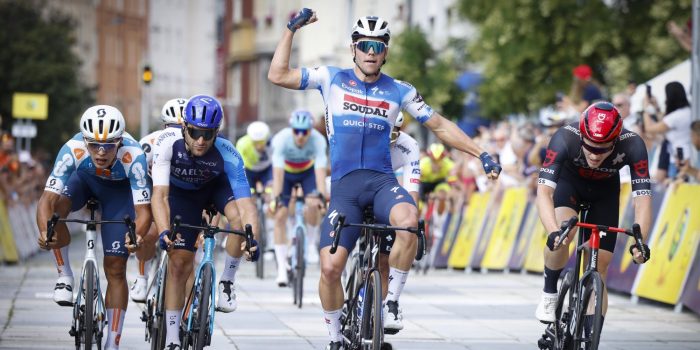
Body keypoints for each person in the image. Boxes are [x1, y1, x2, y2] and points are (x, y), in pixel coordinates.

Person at [267, 10, 502, 349]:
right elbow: (277, 74)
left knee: (409, 221)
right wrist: (291, 30)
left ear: (386, 51)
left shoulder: (400, 90)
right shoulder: (329, 77)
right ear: (354, 48)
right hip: (345, 187)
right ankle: (334, 337)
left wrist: (480, 153)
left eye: (378, 46)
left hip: (381, 182)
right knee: (330, 268)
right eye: (365, 45)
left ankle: (391, 302)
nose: (371, 52)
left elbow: (439, 126)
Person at [36, 105, 153, 349]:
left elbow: (144, 211)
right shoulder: (72, 149)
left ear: (119, 142)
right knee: (55, 214)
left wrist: (137, 236)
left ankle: (113, 342)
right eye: (93, 145)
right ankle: (64, 276)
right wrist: (45, 232)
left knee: (116, 268)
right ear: (84, 141)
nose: (100, 152)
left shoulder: (135, 156)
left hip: (118, 195)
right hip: (84, 182)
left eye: (109, 145)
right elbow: (46, 200)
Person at [150, 95, 260, 350]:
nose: (201, 140)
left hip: (215, 190)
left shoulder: (228, 153)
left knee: (239, 222)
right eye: (195, 132)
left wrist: (252, 238)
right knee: (179, 264)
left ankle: (227, 280)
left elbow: (247, 207)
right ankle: (172, 339)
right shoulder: (167, 143)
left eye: (208, 134)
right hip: (181, 195)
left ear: (216, 132)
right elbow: (160, 195)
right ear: (184, 127)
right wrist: (165, 230)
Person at [535, 101, 652, 336]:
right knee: (564, 235)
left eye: (603, 149)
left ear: (617, 139)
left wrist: (641, 242)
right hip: (570, 186)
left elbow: (642, 199)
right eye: (589, 147)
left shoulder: (634, 145)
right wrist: (552, 231)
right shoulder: (564, 138)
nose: (594, 154)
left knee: (600, 266)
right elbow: (544, 192)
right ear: (581, 137)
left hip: (605, 193)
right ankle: (550, 292)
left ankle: (590, 334)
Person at [129, 97, 187, 303]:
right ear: (164, 126)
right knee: (149, 233)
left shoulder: (195, 145)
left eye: (183, 127)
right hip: (150, 186)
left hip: (179, 190)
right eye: (172, 127)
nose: (177, 132)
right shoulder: (148, 144)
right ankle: (141, 276)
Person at [269, 109, 328, 285]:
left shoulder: (318, 140)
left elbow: (320, 172)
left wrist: (322, 197)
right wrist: (276, 198)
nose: (300, 136)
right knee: (280, 214)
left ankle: (310, 244)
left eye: (304, 132)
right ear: (291, 129)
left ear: (311, 130)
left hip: (307, 173)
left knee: (312, 202)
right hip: (286, 174)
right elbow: (277, 175)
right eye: (296, 131)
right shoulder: (281, 139)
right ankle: (281, 268)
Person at [642, 81, 693, 179]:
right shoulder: (688, 111)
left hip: (679, 160)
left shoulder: (675, 117)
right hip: (688, 156)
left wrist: (645, 109)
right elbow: (664, 122)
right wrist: (656, 107)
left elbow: (649, 129)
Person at [237, 121, 273, 192]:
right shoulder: (242, 144)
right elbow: (238, 162)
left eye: (261, 142)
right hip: (249, 170)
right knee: (249, 192)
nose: (259, 146)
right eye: (255, 143)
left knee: (270, 190)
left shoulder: (272, 143)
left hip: (266, 169)